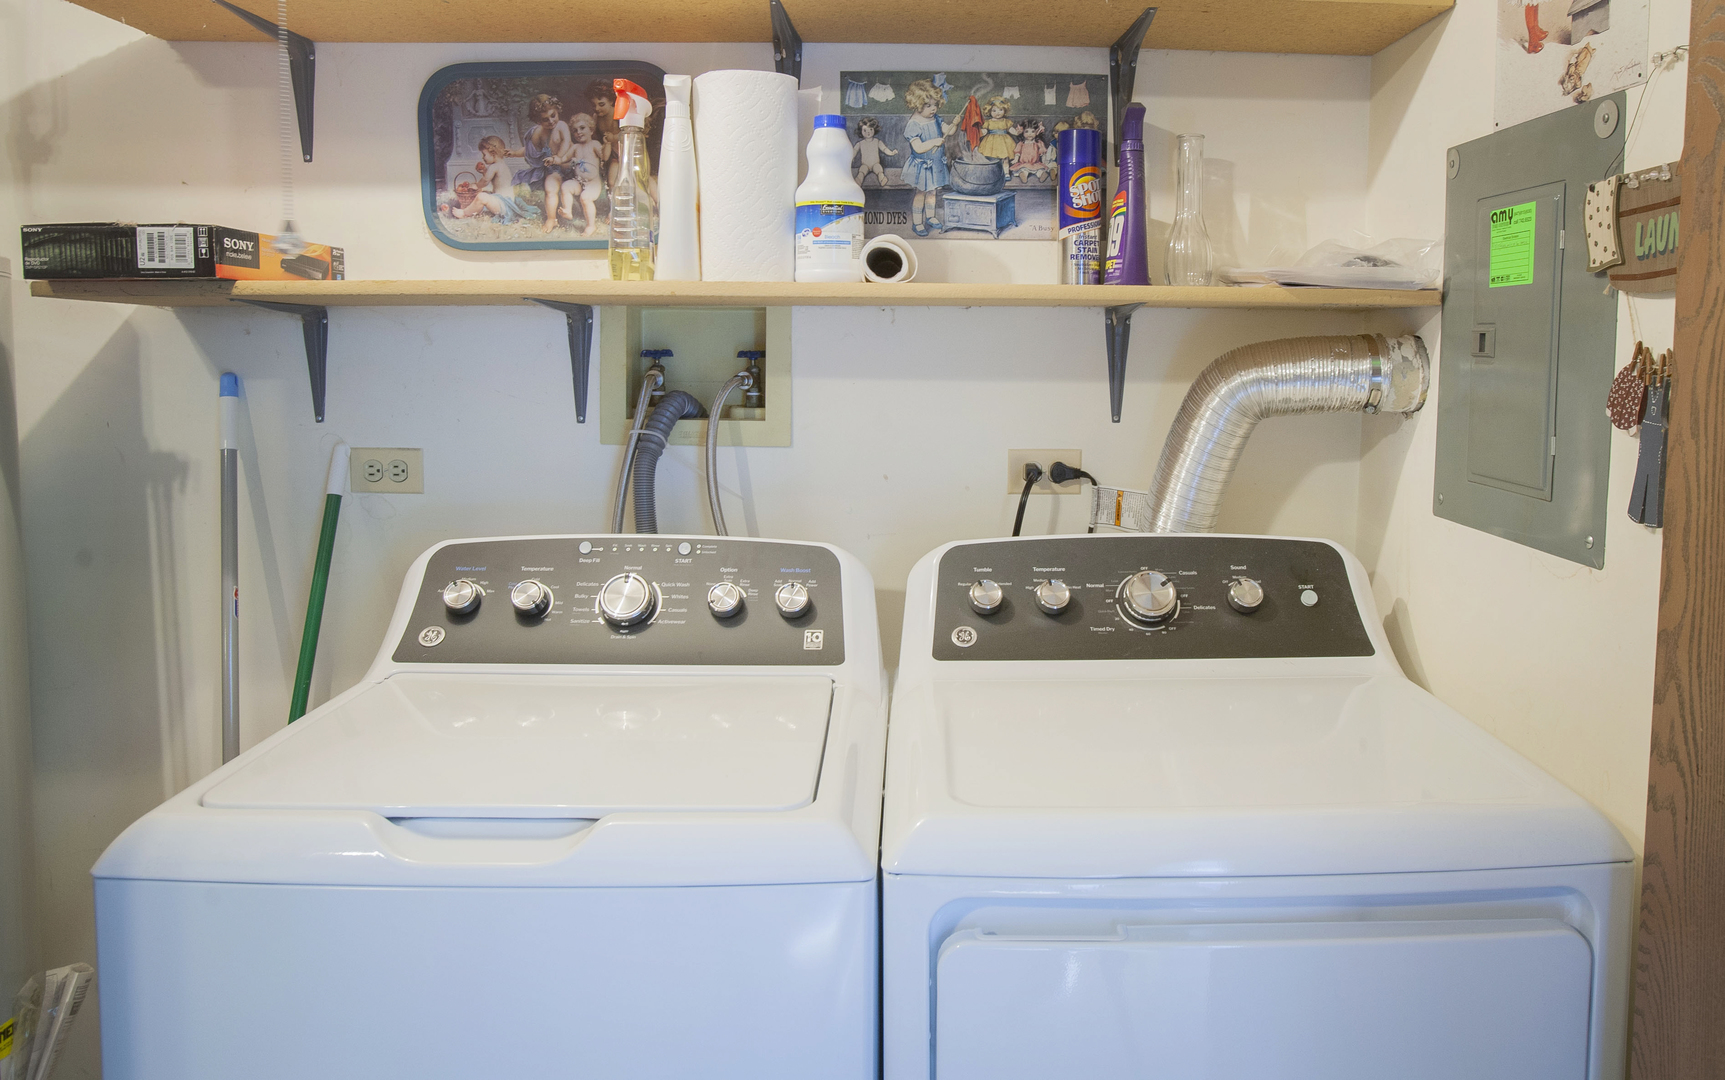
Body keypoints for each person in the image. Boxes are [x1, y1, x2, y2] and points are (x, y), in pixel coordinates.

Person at [515, 94, 574, 233]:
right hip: (555, 169)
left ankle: (569, 210)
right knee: (550, 188)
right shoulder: (539, 133)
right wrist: (513, 153)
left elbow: (566, 142)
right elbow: (530, 150)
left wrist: (558, 158)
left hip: (569, 163)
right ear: (538, 121)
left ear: (557, 110)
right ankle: (551, 218)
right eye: (545, 119)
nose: (551, 121)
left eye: (553, 115)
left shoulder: (561, 126)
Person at [445, 135, 534, 224]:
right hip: (506, 202)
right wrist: (484, 171)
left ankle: (464, 213)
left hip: (503, 205)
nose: (483, 158)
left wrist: (475, 185)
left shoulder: (494, 167)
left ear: (493, 153)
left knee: (481, 196)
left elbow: (485, 181)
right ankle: (472, 210)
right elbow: (491, 178)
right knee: (485, 195)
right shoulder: (501, 165)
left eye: (484, 154)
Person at [901, 78, 950, 236]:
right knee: (921, 193)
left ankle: (930, 216)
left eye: (935, 104)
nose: (933, 108)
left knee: (933, 192)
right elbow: (918, 147)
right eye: (928, 105)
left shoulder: (935, 118)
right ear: (917, 104)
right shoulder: (914, 124)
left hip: (935, 163)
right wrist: (934, 141)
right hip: (922, 166)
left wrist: (953, 125)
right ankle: (917, 222)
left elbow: (947, 129)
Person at [558, 113, 608, 236]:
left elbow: (605, 156)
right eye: (575, 131)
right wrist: (555, 160)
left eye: (582, 128)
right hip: (579, 181)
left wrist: (608, 144)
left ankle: (591, 226)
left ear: (591, 130)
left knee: (585, 198)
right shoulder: (575, 147)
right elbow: (564, 158)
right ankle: (568, 211)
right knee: (566, 186)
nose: (578, 132)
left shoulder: (594, 144)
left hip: (592, 183)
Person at [851, 116, 898, 186]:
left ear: (874, 129)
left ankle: (882, 179)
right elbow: (854, 151)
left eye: (870, 129)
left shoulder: (877, 142)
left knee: (879, 169)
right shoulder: (860, 143)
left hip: (875, 164)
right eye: (865, 130)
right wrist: (851, 157)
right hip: (865, 165)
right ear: (861, 131)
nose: (868, 132)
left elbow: (884, 149)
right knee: (862, 170)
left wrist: (891, 153)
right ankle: (858, 180)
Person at [976, 96, 1016, 163]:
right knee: (991, 157)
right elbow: (985, 131)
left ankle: (1006, 172)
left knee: (1005, 157)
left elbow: (1010, 129)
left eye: (1000, 110)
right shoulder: (988, 122)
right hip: (990, 142)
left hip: (1004, 142)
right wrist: (978, 133)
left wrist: (1017, 132)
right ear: (989, 111)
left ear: (1004, 110)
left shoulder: (1006, 121)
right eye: (994, 110)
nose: (997, 112)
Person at [1008, 118, 1049, 183]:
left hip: (1035, 163)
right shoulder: (1021, 143)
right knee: (1023, 170)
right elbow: (1017, 152)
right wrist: (1016, 159)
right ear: (1022, 132)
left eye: (1032, 131)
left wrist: (1044, 161)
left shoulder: (1038, 142)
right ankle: (1023, 175)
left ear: (1037, 132)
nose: (1029, 134)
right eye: (1027, 131)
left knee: (1040, 170)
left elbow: (1042, 153)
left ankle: (1042, 175)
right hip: (1024, 163)